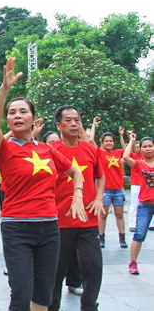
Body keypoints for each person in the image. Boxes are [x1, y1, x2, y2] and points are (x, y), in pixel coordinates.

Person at [0, 58, 86, 311]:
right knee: (21, 295)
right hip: (17, 228)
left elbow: (76, 172)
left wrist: (77, 195)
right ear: (8, 121)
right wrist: (4, 89)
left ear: (33, 119)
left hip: (49, 228)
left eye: (23, 111)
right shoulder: (4, 149)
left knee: (44, 294)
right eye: (12, 112)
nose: (17, 115)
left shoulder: (47, 149)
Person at [49, 106, 105, 311]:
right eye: (69, 120)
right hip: (59, 221)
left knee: (93, 266)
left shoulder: (91, 149)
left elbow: (100, 176)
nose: (74, 124)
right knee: (56, 271)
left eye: (77, 120)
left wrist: (98, 198)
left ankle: (89, 306)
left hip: (87, 219)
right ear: (59, 125)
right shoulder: (51, 150)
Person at [123, 134, 154, 275]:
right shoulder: (139, 164)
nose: (148, 149)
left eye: (150, 146)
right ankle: (133, 262)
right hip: (145, 205)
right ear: (140, 150)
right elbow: (125, 157)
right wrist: (131, 141)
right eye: (145, 147)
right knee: (139, 234)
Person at [97, 130, 127, 248]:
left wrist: (123, 137)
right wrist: (94, 125)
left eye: (111, 141)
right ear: (102, 142)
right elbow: (90, 141)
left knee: (119, 214)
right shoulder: (100, 153)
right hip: (105, 190)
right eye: (106, 141)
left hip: (118, 189)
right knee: (103, 215)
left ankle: (122, 238)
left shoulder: (117, 153)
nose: (109, 143)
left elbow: (126, 151)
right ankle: (101, 237)